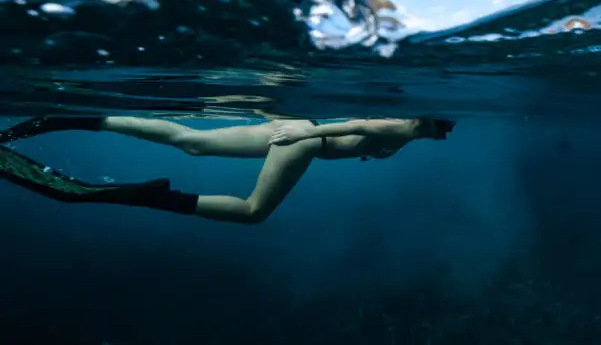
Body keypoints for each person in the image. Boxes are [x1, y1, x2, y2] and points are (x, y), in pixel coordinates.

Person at [0, 115, 454, 224]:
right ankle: (150, 196)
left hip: (296, 128)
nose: (444, 134)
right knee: (253, 211)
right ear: (428, 121)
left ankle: (77, 121)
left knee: (190, 142)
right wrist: (303, 139)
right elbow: (357, 125)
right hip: (302, 139)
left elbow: (361, 132)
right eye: (441, 127)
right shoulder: (406, 126)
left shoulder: (410, 130)